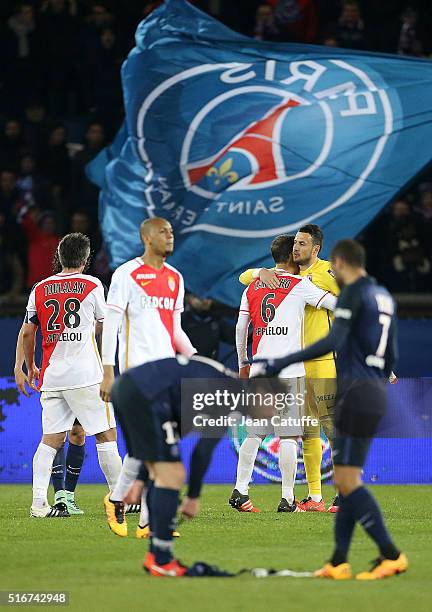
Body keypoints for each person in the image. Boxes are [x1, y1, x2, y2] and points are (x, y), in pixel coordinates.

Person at [257, 239, 408, 580]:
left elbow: (332, 340)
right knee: (344, 479)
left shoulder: (353, 292)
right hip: (374, 390)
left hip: (355, 391)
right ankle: (339, 560)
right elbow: (392, 350)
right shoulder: (383, 295)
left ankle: (391, 554)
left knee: (349, 480)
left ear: (340, 263)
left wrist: (283, 360)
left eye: (333, 268)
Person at [100, 217, 196, 537]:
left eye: (171, 231)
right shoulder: (126, 275)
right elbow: (111, 326)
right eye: (163, 232)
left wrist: (196, 361)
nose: (170, 236)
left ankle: (128, 509)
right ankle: (142, 516)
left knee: (148, 448)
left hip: (168, 373)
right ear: (146, 237)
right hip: (135, 375)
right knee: (152, 447)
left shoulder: (176, 278)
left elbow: (175, 330)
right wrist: (107, 372)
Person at [231, 234, 336, 513]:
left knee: (253, 434)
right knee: (289, 437)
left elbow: (241, 328)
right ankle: (288, 499)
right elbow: (336, 305)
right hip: (290, 372)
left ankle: (240, 491)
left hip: (260, 370)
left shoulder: (252, 286)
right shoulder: (301, 285)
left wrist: (244, 363)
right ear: (292, 256)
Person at [22, 232, 122, 517]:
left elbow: (29, 331)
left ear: (59, 256)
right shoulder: (92, 284)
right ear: (86, 258)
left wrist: (31, 367)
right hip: (85, 375)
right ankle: (119, 496)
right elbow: (104, 324)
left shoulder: (40, 287)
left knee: (50, 440)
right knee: (106, 434)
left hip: (52, 376)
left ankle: (39, 504)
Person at [110, 355, 236, 577]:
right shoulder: (227, 395)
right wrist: (193, 497)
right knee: (173, 474)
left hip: (126, 388)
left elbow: (159, 446)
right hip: (143, 394)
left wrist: (139, 480)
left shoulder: (212, 382)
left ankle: (155, 556)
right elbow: (201, 453)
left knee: (159, 469)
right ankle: (162, 560)